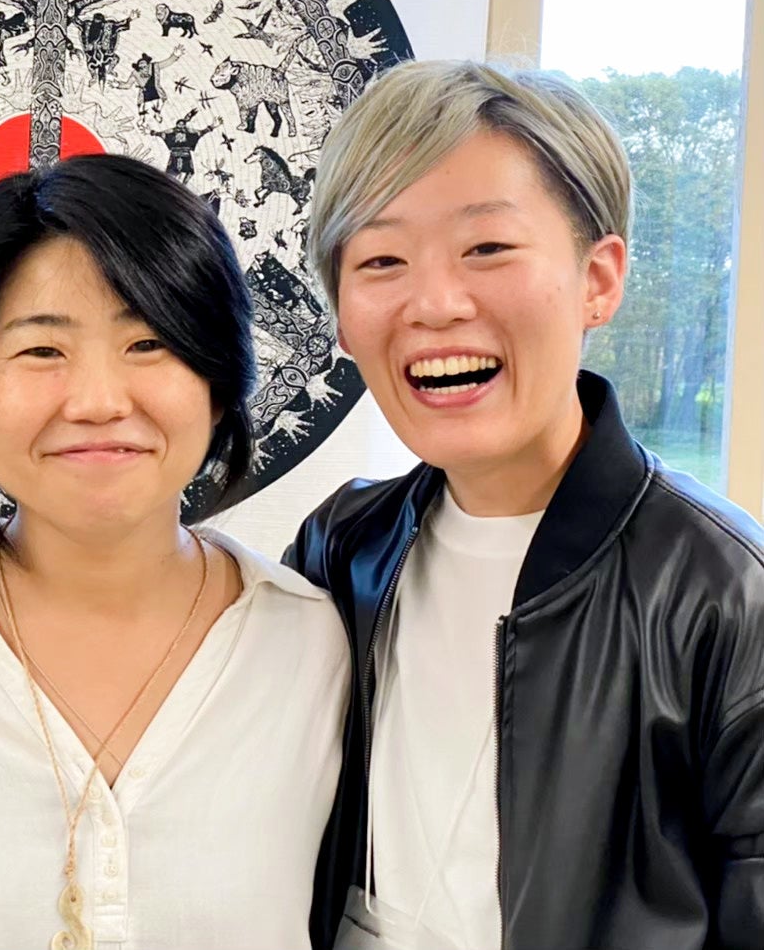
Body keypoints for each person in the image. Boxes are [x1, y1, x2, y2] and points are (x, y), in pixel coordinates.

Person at [0, 153, 350, 949]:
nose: (99, 402)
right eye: (43, 351)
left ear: (219, 383)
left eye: (150, 343)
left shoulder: (310, 644)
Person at [285, 60, 764, 949]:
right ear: (343, 320)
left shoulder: (728, 591)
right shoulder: (340, 548)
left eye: (488, 249)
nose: (435, 303)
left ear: (599, 279)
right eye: (382, 260)